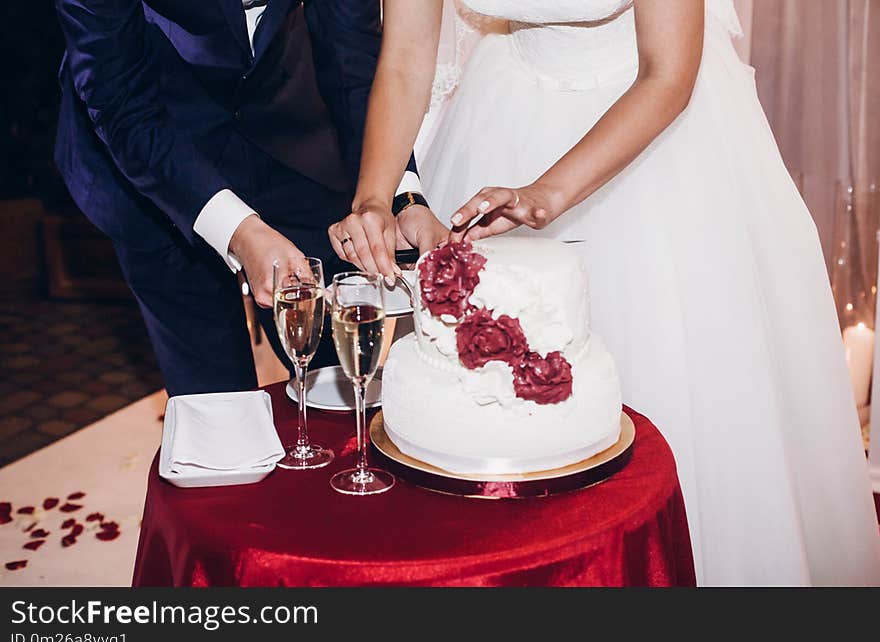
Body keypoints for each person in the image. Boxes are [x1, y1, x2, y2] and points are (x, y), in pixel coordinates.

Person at [328, 0, 880, 585]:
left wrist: (547, 194)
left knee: (669, 397)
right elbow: (408, 59)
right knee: (495, 426)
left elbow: (668, 72)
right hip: (505, 109)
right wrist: (374, 197)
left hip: (658, 129)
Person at [53, 0, 435, 396]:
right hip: (152, 171)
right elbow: (122, 103)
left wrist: (399, 196)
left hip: (290, 143)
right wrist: (237, 229)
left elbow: (352, 58)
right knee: (217, 407)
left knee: (339, 389)